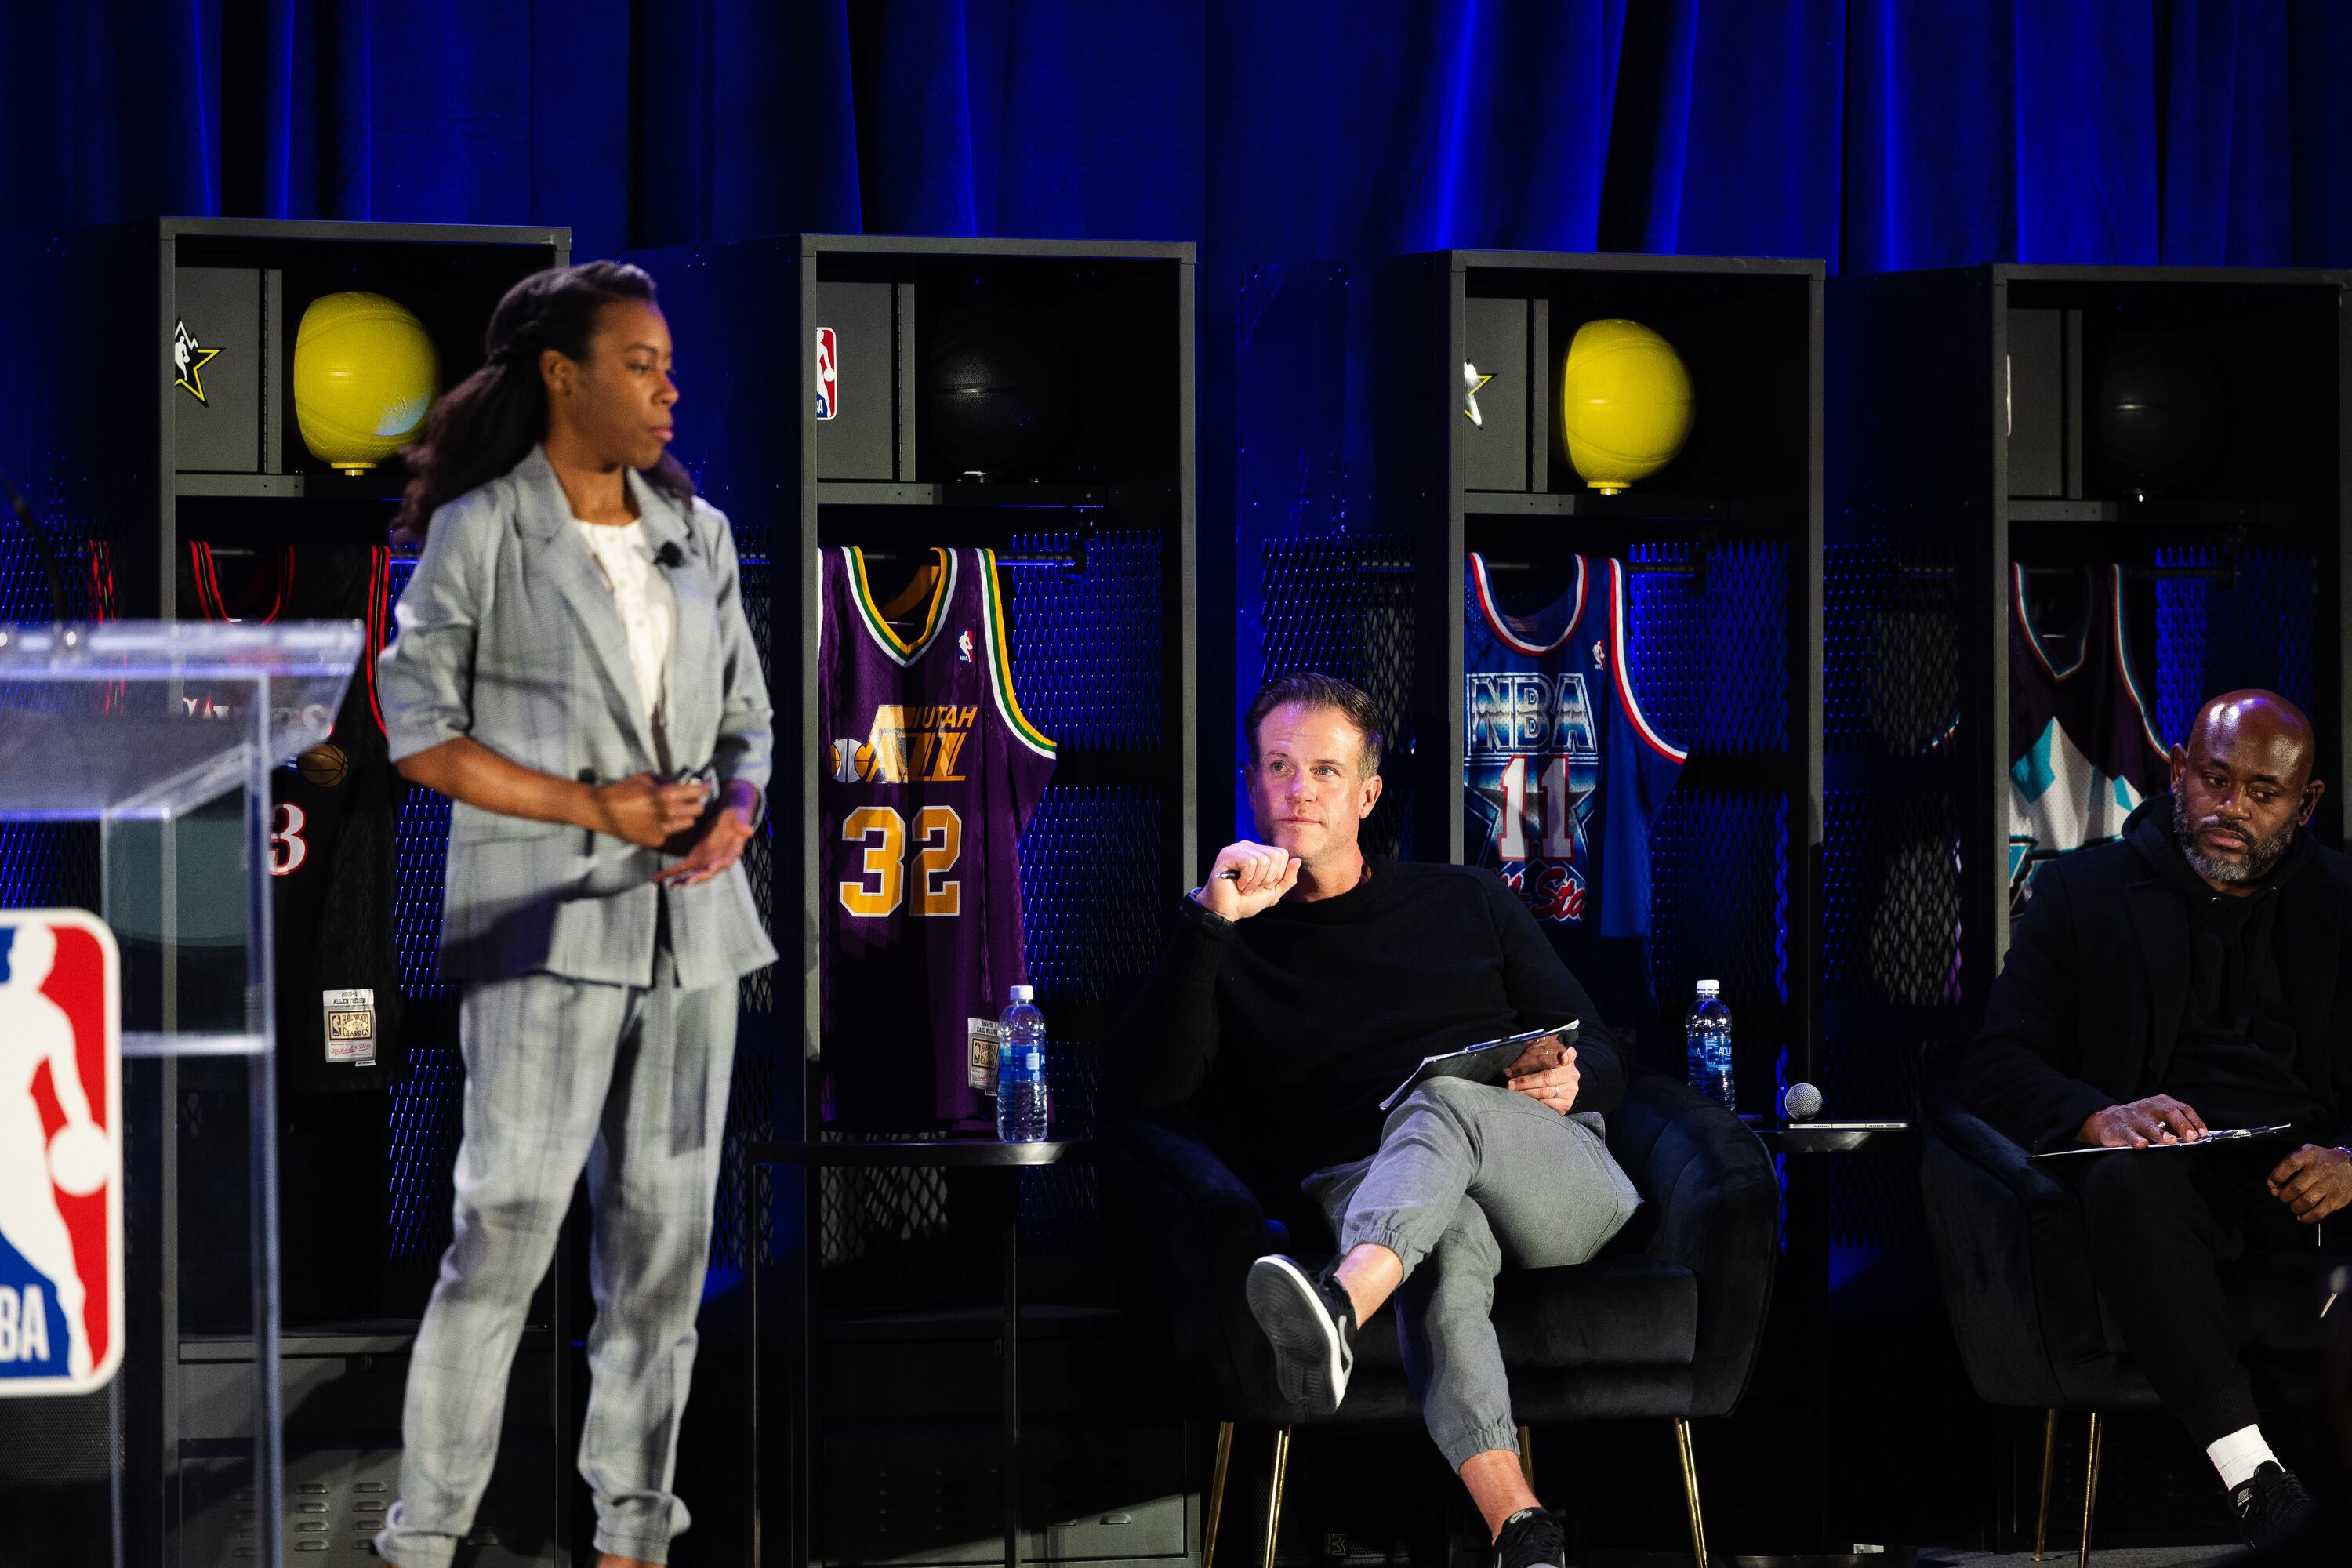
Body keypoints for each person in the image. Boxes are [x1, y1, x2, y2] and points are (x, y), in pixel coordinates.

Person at [371, 261, 775, 1568]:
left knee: (666, 1256)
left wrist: (734, 813)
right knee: (504, 1242)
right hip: (543, 929)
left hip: (691, 940)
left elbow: (747, 728)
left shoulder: (696, 533)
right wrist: (594, 809)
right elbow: (417, 733)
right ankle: (425, 1536)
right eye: (642, 363)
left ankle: (635, 1536)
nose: (670, 387)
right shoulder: (483, 529)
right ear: (565, 375)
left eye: (668, 364)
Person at [1113, 673, 1641, 1568]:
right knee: (1447, 1249)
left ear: (1366, 793)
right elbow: (1148, 1092)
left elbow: (1606, 1054)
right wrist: (1210, 923)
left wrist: (1571, 1081)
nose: (1299, 789)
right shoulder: (1228, 933)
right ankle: (1524, 1528)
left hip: (1547, 1173)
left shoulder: (1467, 900)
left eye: (1324, 770)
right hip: (1374, 1188)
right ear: (1251, 782)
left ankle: (1339, 1304)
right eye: (1279, 767)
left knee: (1436, 1097)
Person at [1952, 688, 2352, 1550]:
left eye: (2262, 792)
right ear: (2177, 769)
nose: (2230, 808)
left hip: (2312, 1179)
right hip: (2172, 1184)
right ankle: (2255, 1477)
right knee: (2128, 1182)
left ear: (2306, 801)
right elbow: (1995, 1062)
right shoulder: (2085, 892)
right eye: (2213, 779)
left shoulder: (2344, 902)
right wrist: (2097, 1115)